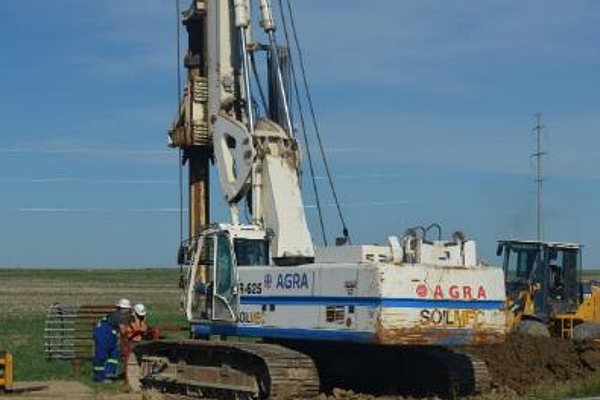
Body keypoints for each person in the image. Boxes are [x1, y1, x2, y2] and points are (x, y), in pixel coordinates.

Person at [92, 298, 131, 382]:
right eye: (128, 308)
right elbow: (123, 331)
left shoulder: (115, 314)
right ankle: (99, 377)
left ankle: (109, 373)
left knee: (114, 353)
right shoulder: (120, 316)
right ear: (124, 308)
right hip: (103, 333)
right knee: (101, 355)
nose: (128, 310)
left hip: (109, 334)